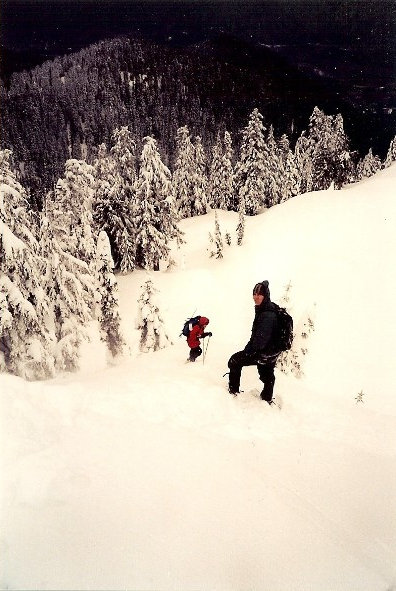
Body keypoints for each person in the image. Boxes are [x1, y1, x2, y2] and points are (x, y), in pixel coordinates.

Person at [227, 280, 279, 403]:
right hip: (271, 352)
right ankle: (267, 399)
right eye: (254, 294)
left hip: (264, 353)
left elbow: (259, 341)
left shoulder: (267, 314)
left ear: (265, 296)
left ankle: (233, 392)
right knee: (267, 374)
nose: (256, 297)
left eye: (259, 294)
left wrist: (248, 351)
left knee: (234, 361)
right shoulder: (267, 309)